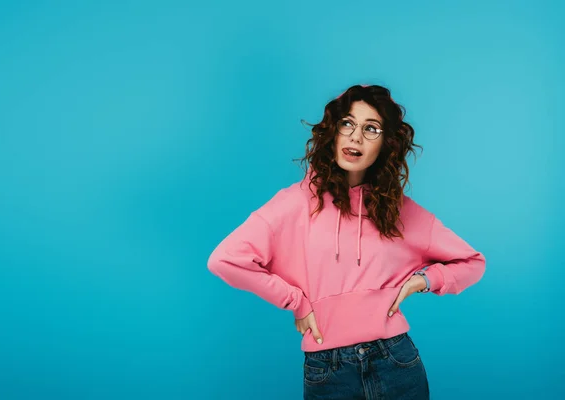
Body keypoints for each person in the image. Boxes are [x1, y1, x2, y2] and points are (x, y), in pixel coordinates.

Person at [207, 84, 486, 399]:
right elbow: (225, 260)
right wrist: (295, 301)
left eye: (371, 129)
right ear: (333, 132)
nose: (356, 136)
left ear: (385, 145)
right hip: (328, 367)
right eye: (347, 123)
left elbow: (473, 263)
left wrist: (423, 280)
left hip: (395, 359)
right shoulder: (294, 203)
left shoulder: (399, 210)